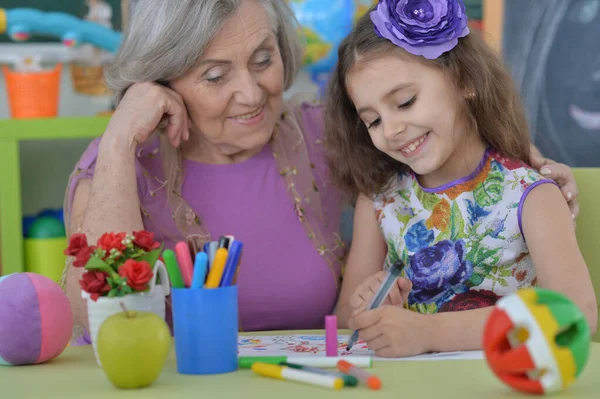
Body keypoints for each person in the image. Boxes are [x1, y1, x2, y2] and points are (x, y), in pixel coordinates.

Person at [62, 0, 580, 344]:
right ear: (161, 79)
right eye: (216, 75)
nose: (251, 92)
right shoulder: (121, 162)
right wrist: (119, 136)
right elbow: (96, 320)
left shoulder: (317, 135)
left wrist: (523, 163)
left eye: (263, 59)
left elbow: (435, 129)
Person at [326, 0, 597, 358]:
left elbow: (575, 313)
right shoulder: (380, 200)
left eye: (405, 102)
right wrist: (368, 306)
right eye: (372, 120)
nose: (390, 130)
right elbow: (345, 316)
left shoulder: (530, 194)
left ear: (465, 80)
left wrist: (429, 333)